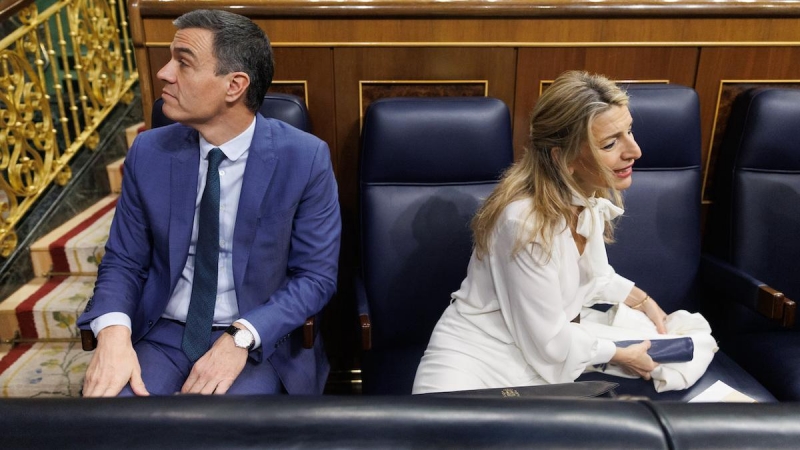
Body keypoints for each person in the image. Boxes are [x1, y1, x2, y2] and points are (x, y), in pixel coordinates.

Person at [78, 9, 341, 397]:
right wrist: (114, 334)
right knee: (114, 416)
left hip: (258, 339)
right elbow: (124, 260)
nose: (164, 73)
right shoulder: (149, 151)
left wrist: (242, 336)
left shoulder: (304, 158)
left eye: (183, 63)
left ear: (234, 85)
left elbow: (315, 277)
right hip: (163, 332)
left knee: (219, 431)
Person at [412, 71, 671, 394]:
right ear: (562, 159)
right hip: (476, 364)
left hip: (536, 364)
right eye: (610, 143)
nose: (635, 151)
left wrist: (642, 300)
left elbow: (591, 275)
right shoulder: (525, 222)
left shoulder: (583, 197)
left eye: (629, 131)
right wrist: (619, 354)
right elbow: (549, 343)